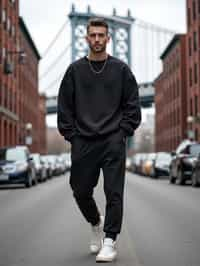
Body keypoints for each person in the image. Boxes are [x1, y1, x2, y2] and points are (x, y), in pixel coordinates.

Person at [57, 17, 141, 262]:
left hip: (112, 141)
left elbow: (133, 106)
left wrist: (121, 132)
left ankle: (110, 240)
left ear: (108, 38)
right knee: (80, 190)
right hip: (83, 141)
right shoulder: (74, 71)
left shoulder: (122, 70)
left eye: (101, 35)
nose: (96, 39)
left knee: (114, 192)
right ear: (86, 38)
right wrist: (73, 136)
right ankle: (95, 221)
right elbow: (64, 108)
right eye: (92, 35)